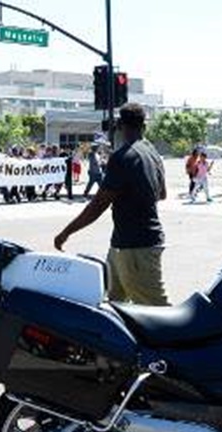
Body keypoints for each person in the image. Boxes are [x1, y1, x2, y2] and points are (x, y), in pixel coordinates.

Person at [54, 103, 169, 306]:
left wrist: (66, 232)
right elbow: (162, 194)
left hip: (135, 247)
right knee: (114, 304)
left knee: (156, 311)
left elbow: (98, 205)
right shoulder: (152, 153)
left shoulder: (123, 157)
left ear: (119, 126)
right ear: (144, 125)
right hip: (124, 245)